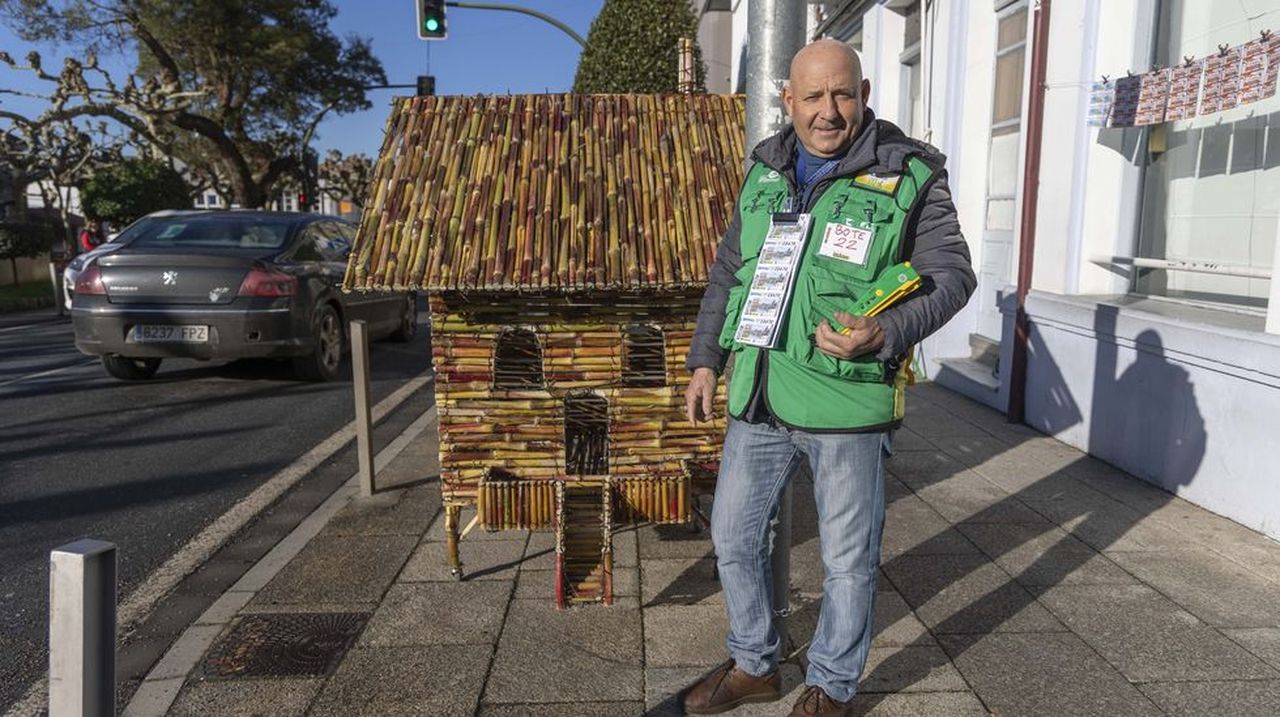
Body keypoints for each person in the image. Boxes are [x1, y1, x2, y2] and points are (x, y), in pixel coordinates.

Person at [682, 39, 976, 716]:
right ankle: (756, 662)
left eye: (842, 94)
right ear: (789, 100)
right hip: (758, 395)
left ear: (864, 92)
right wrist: (707, 359)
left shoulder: (911, 175)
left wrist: (890, 330)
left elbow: (952, 275)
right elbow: (731, 271)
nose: (828, 111)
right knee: (731, 536)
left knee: (848, 560)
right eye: (812, 96)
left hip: (847, 403)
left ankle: (832, 685)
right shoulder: (764, 171)